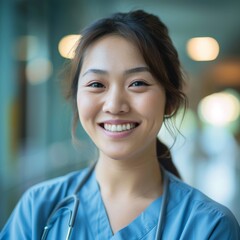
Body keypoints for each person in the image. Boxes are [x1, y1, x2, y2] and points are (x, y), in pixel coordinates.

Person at [1, 10, 239, 240]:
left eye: (137, 83)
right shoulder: (38, 210)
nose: (115, 105)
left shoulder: (208, 226)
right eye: (96, 84)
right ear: (76, 99)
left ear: (170, 101)